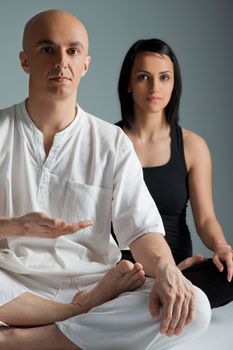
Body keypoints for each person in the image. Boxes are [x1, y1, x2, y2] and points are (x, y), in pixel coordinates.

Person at [0, 11, 211, 350]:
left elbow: (142, 230)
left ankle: (20, 340)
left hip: (94, 280)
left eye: (72, 51)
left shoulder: (112, 142)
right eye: (47, 50)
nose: (61, 62)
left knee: (196, 308)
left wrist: (169, 270)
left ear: (85, 64)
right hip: (12, 284)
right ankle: (76, 315)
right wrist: (16, 227)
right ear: (25, 61)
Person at [113, 38, 233, 309]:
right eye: (144, 77)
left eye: (164, 77)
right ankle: (164, 299)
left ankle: (160, 297)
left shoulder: (192, 146)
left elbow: (205, 218)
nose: (155, 87)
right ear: (129, 84)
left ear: (173, 84)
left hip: (179, 267)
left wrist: (221, 247)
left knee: (229, 273)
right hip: (124, 269)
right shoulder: (108, 141)